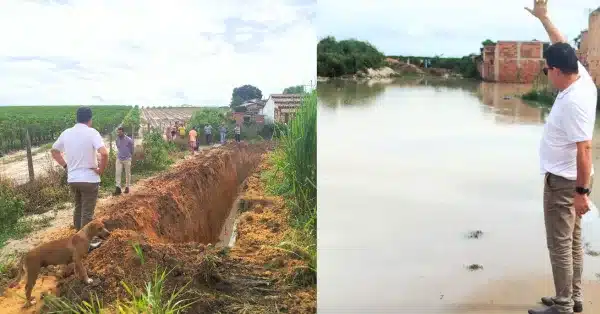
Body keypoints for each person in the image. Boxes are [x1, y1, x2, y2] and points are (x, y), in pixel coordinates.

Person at [526, 1, 598, 314]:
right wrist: (544, 17)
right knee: (571, 241)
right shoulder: (579, 74)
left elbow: (585, 148)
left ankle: (564, 304)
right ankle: (575, 297)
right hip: (572, 180)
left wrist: (581, 194)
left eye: (547, 71)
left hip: (565, 184)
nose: (547, 76)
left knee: (560, 245)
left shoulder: (575, 102)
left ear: (556, 70)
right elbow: (562, 43)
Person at [51, 106, 108, 250]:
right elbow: (104, 153)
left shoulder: (67, 133)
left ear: (76, 118)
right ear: (90, 119)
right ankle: (84, 245)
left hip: (73, 179)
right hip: (89, 180)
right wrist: (100, 170)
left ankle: (77, 240)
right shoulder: (92, 133)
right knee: (87, 214)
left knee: (78, 209)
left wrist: (66, 166)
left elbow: (54, 151)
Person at [114, 126, 134, 196]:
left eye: (120, 132)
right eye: (118, 132)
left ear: (123, 132)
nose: (118, 133)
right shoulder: (117, 140)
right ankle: (118, 188)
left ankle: (127, 187)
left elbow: (132, 149)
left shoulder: (129, 140)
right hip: (119, 158)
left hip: (127, 159)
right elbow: (118, 147)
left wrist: (129, 156)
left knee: (127, 173)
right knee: (118, 173)